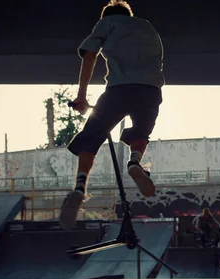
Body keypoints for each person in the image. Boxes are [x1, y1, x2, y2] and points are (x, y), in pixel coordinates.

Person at [59, 0, 165, 230]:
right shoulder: (147, 27)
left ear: (107, 16)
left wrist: (82, 96)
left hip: (118, 90)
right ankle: (135, 161)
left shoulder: (107, 23)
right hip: (150, 90)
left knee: (91, 136)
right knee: (141, 131)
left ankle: (80, 186)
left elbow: (90, 56)